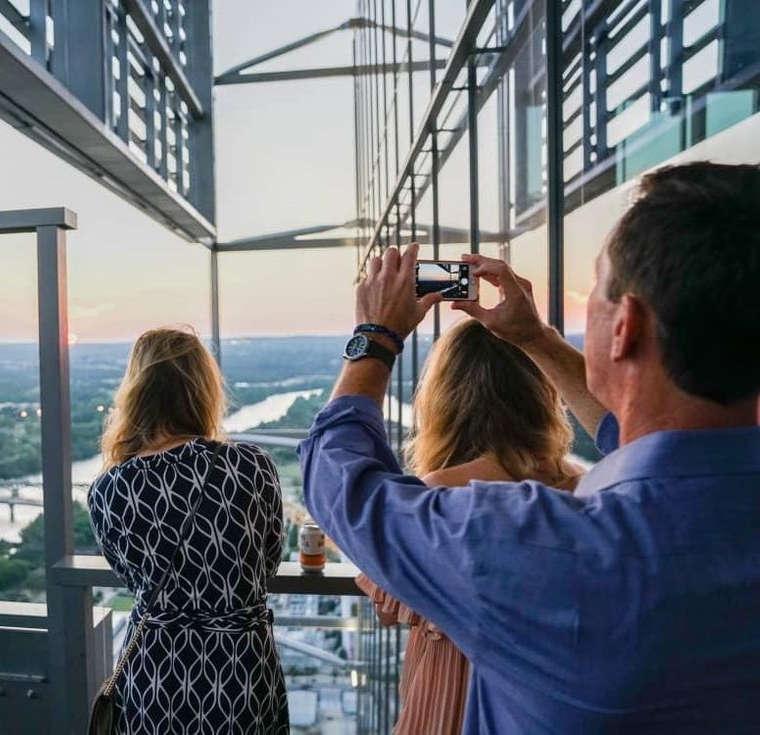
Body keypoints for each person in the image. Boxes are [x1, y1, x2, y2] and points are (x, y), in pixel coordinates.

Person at [299, 162, 760, 733]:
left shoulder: (542, 546)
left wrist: (375, 335)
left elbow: (341, 484)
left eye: (596, 290)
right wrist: (533, 339)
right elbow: (644, 442)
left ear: (625, 327)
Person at [357, 318, 584, 735]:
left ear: (443, 401)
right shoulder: (583, 490)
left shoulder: (434, 499)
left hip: (448, 708)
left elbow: (387, 606)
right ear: (542, 395)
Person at [88, 327, 289, 734]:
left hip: (156, 672)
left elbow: (132, 578)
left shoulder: (110, 489)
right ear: (203, 389)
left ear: (136, 393)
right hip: (238, 668)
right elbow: (266, 562)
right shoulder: (251, 466)